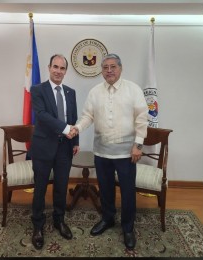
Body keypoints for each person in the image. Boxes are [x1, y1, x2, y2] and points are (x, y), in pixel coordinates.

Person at [67, 53, 148, 250]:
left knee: (128, 191)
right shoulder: (95, 92)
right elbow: (87, 115)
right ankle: (108, 218)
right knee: (105, 188)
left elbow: (142, 117)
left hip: (127, 152)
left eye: (113, 67)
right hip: (102, 151)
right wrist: (77, 127)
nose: (109, 71)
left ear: (120, 68)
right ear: (101, 70)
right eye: (105, 67)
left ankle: (128, 227)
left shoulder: (133, 89)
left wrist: (138, 144)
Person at [29, 54, 80, 250]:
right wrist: (66, 129)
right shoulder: (38, 89)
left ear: (66, 71)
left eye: (62, 68)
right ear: (49, 68)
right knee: (40, 188)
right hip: (43, 147)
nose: (58, 71)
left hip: (65, 148)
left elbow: (73, 117)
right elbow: (42, 116)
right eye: (55, 67)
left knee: (61, 186)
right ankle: (38, 226)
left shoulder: (70, 92)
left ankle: (59, 220)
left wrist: (75, 140)